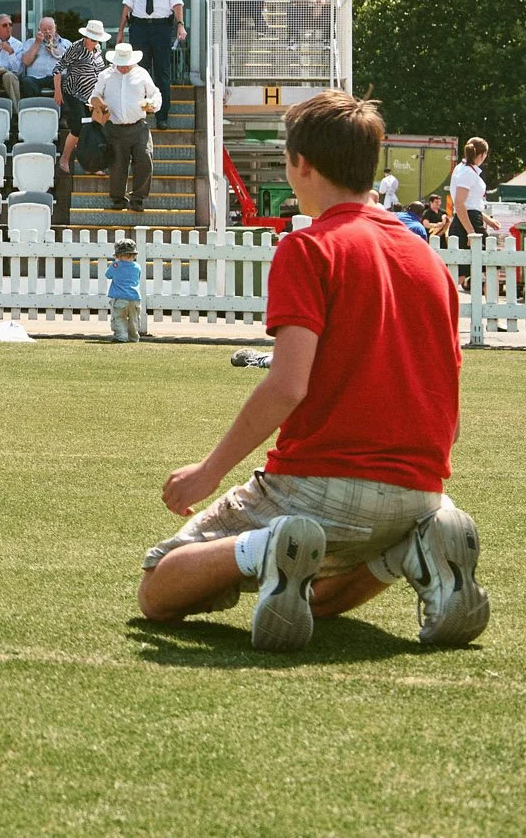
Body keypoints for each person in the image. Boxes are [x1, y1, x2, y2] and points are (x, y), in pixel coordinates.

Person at [137, 92, 488, 652]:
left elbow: (287, 384)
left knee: (158, 588)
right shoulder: (430, 262)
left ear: (300, 163)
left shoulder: (308, 248)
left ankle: (264, 547)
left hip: (320, 487)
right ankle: (410, 551)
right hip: (421, 493)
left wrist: (208, 472)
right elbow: (446, 390)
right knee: (318, 598)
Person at [118, 0, 186, 129]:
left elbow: (177, 3)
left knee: (162, 71)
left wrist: (180, 25)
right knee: (139, 71)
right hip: (139, 27)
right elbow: (128, 5)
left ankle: (162, 115)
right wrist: (121, 31)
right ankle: (139, 114)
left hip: (161, 27)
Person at [92, 42, 162, 212]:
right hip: (114, 127)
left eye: (126, 64)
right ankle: (118, 199)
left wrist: (153, 104)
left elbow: (155, 93)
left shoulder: (142, 74)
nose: (124, 68)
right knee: (117, 165)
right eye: (121, 64)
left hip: (138, 126)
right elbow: (95, 95)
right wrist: (99, 105)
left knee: (144, 160)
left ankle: (138, 198)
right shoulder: (105, 75)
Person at [57, 21, 110, 176]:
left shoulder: (98, 50)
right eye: (91, 39)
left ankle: (89, 165)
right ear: (85, 36)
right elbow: (58, 68)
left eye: (96, 40)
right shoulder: (75, 48)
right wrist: (57, 92)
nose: (93, 42)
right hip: (73, 93)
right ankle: (64, 158)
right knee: (78, 128)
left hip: (91, 95)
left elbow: (101, 73)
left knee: (91, 130)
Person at [441, 137, 490, 250]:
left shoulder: (462, 168)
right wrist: (471, 232)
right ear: (482, 155)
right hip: (469, 221)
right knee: (489, 259)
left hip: (466, 218)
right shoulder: (468, 173)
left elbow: (468, 204)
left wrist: (488, 220)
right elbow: (459, 203)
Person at [107, 239, 146, 342]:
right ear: (133, 255)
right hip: (134, 297)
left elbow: (108, 275)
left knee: (119, 318)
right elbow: (138, 277)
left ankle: (121, 337)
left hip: (119, 297)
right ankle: (133, 337)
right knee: (134, 319)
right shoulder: (137, 267)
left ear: (118, 255)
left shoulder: (116, 265)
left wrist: (115, 265)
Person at [21, 16, 66, 101]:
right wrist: (37, 43)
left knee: (66, 80)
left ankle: (65, 113)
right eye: (44, 29)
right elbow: (26, 62)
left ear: (55, 28)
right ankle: (33, 110)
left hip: (56, 78)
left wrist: (54, 51)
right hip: (36, 78)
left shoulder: (65, 43)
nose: (47, 32)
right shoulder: (31, 42)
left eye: (50, 28)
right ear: (39, 29)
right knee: (26, 82)